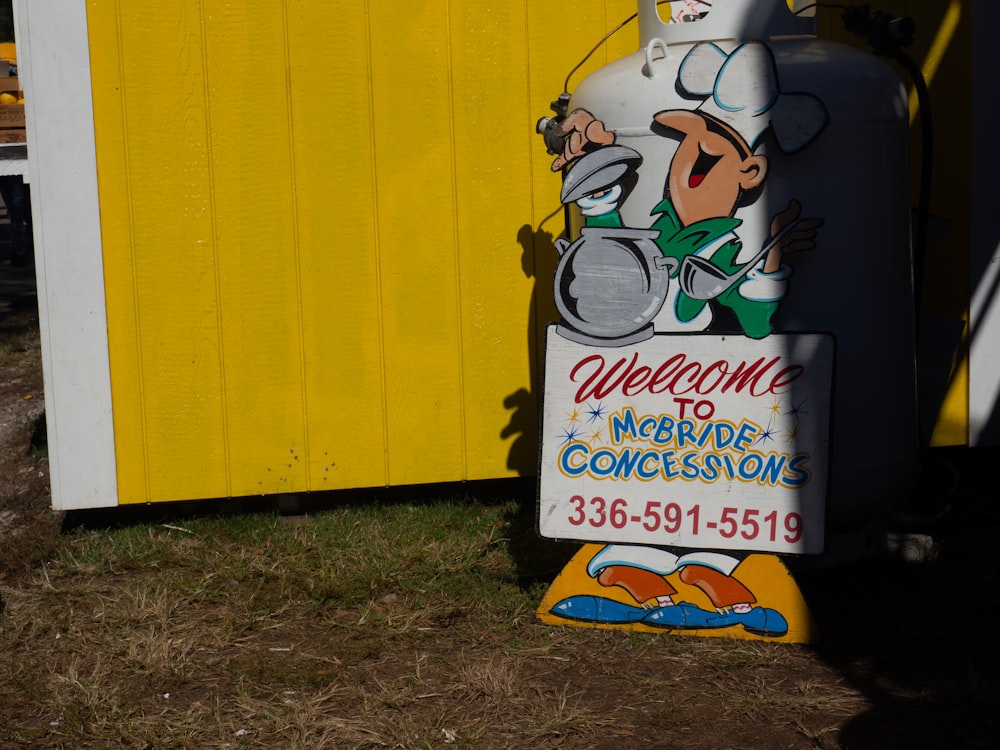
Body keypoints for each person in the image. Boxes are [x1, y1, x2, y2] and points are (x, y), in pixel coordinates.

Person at [547, 41, 828, 635]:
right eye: (684, 158)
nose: (684, 171)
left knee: (718, 473)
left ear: (749, 174)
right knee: (637, 471)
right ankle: (636, 576)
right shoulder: (663, 233)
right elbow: (606, 265)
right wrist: (593, 176)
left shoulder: (722, 248)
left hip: (701, 382)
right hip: (634, 375)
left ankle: (719, 579)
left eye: (706, 159)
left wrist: (766, 267)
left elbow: (754, 327)